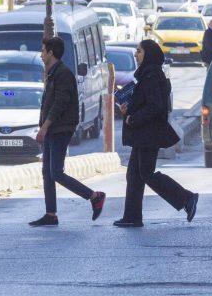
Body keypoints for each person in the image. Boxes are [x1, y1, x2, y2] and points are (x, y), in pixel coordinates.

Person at [114, 39, 199, 227]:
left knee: (146, 174)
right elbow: (145, 103)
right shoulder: (147, 75)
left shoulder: (151, 76)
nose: (136, 55)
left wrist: (133, 118)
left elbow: (155, 106)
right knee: (134, 176)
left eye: (139, 51)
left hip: (148, 134)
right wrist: (128, 108)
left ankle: (186, 198)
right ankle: (132, 217)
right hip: (143, 134)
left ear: (149, 54)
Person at [29, 37, 106, 227]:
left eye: (43, 50)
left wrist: (44, 127)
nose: (40, 54)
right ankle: (51, 213)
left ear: (51, 53)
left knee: (56, 172)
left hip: (60, 129)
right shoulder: (53, 72)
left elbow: (59, 104)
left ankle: (94, 196)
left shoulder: (63, 74)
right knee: (47, 173)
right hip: (52, 129)